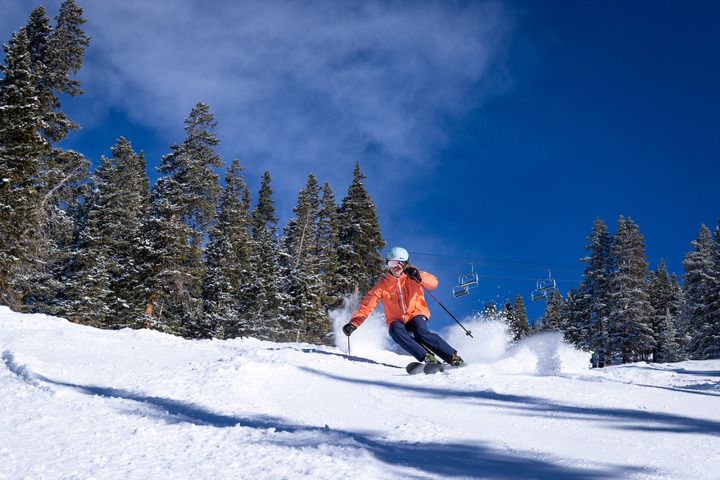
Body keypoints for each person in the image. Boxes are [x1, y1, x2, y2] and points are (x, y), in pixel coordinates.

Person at [342, 247, 466, 366]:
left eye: (399, 264)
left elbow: (434, 283)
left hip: (416, 313)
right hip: (396, 320)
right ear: (387, 265)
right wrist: (353, 323)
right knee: (394, 331)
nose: (396, 267)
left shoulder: (412, 276)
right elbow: (366, 306)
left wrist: (419, 276)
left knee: (421, 333)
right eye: (392, 263)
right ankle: (427, 357)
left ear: (405, 264)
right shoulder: (382, 285)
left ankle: (452, 357)